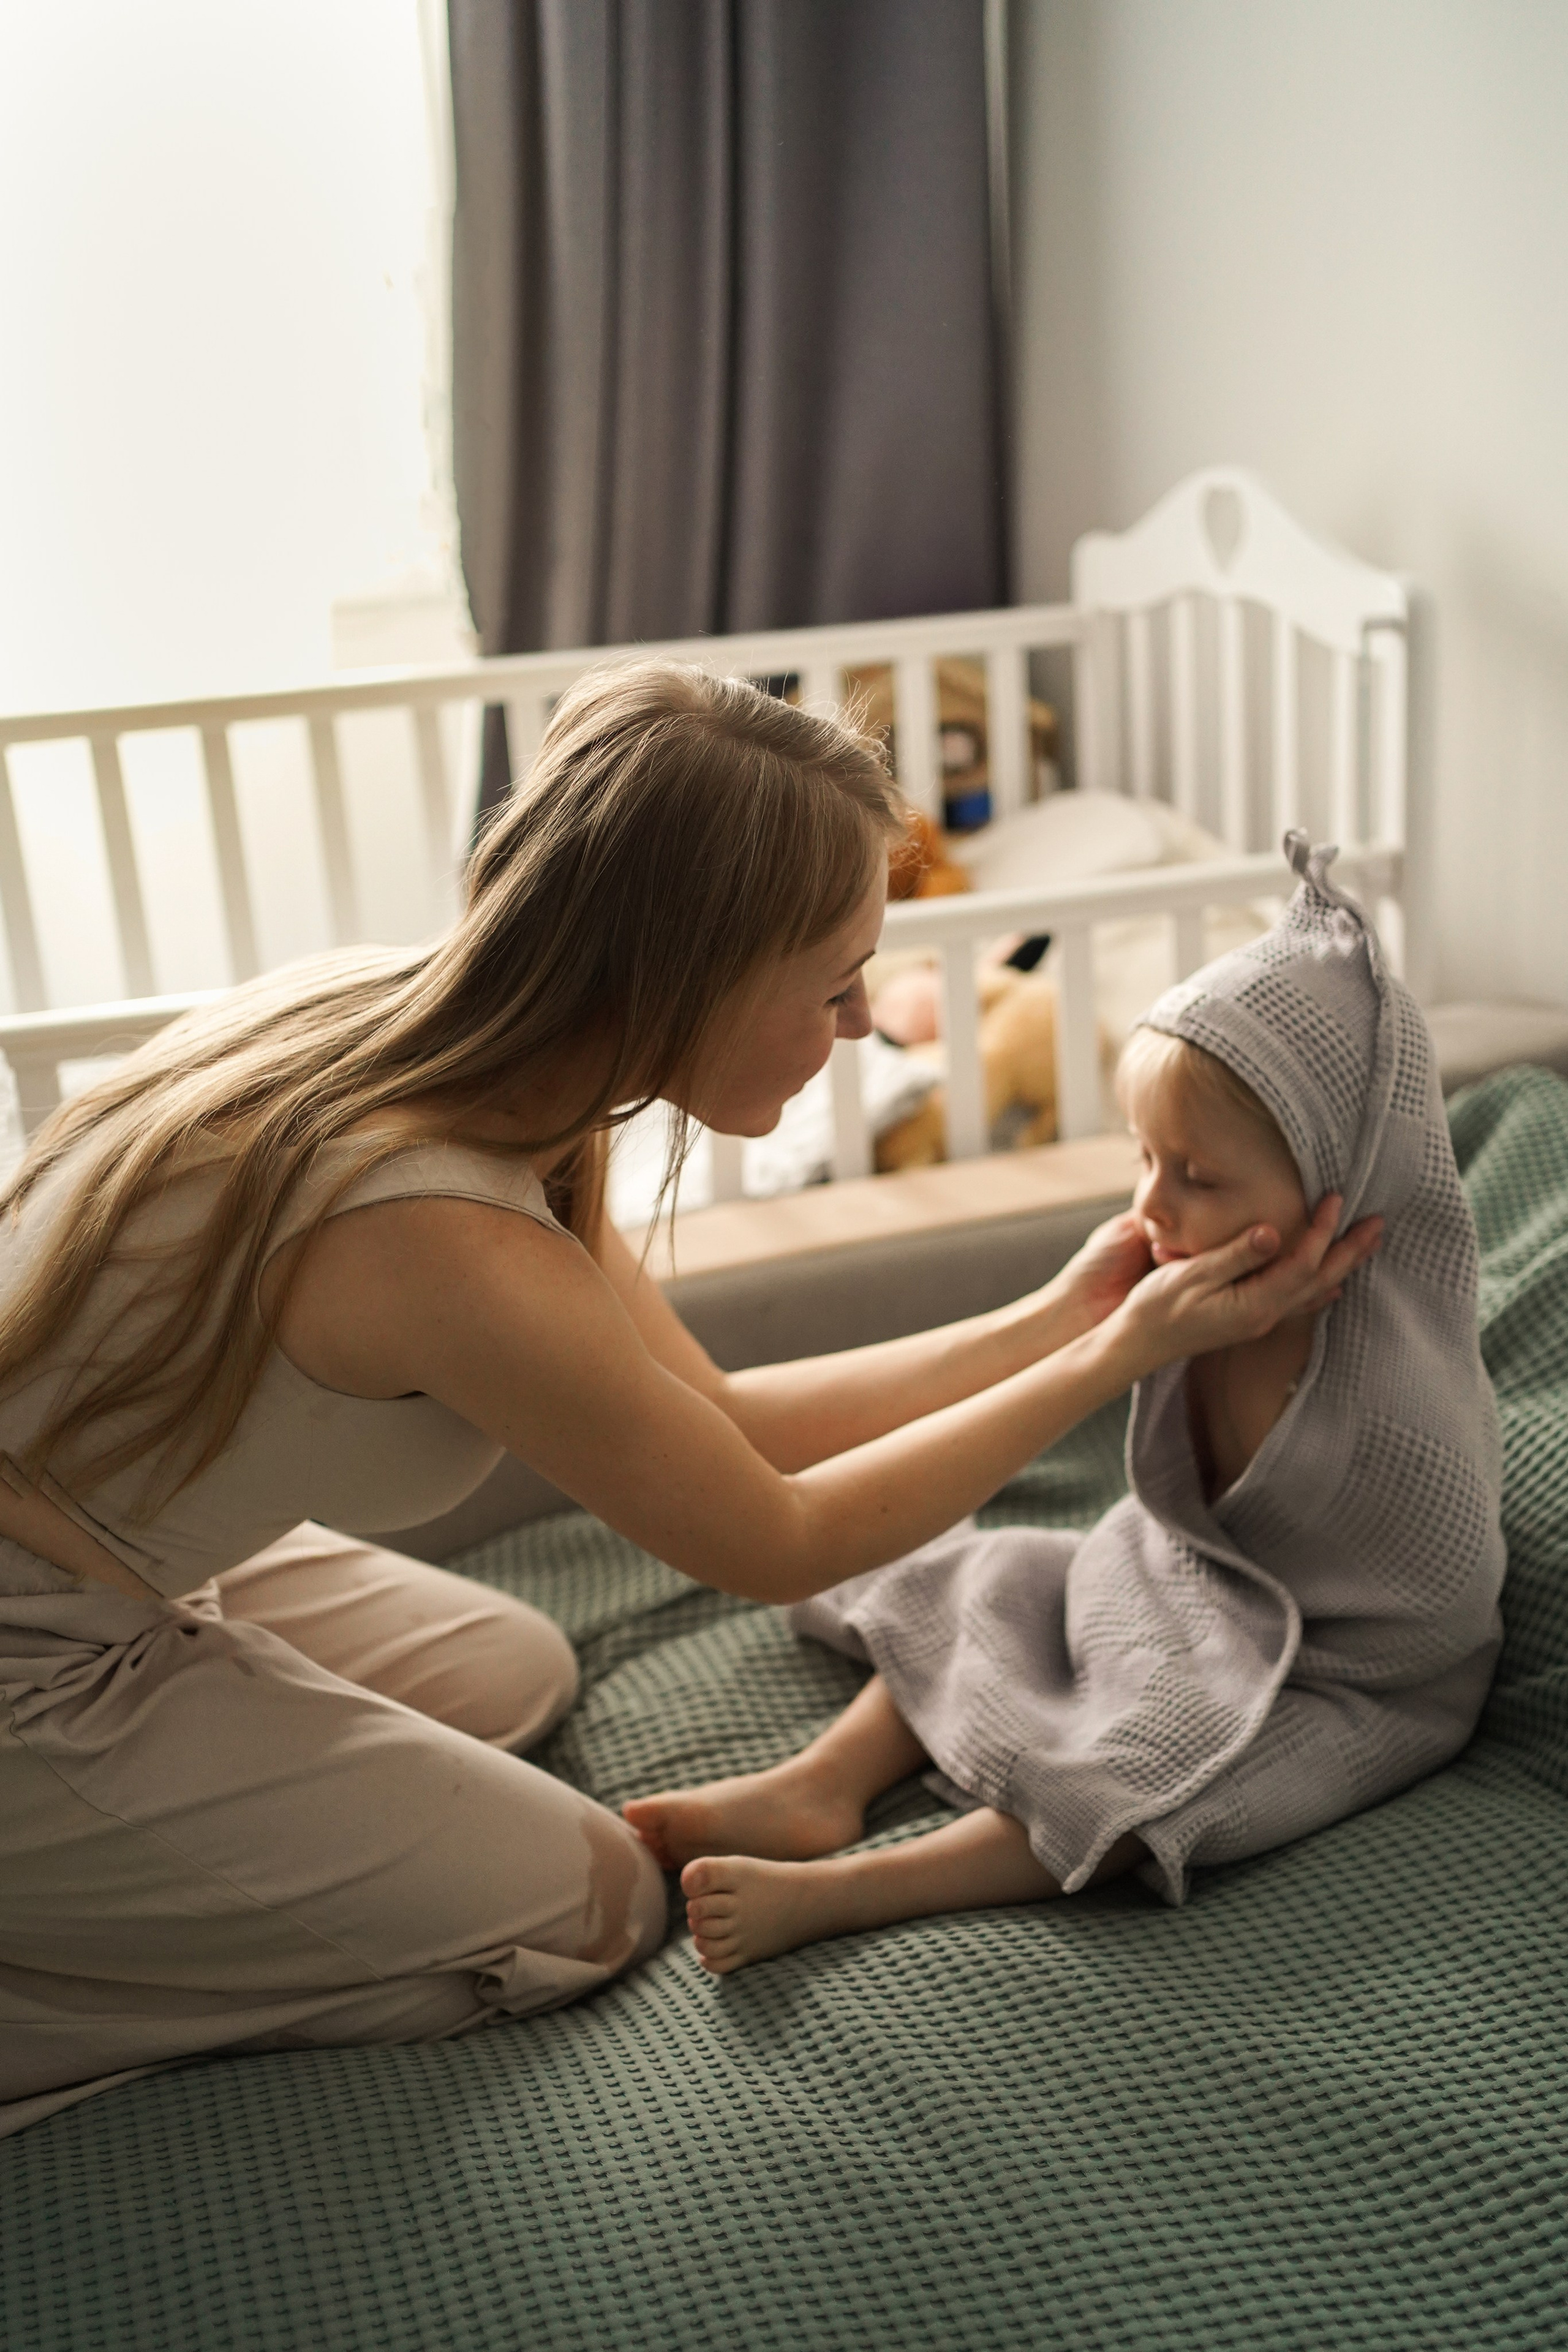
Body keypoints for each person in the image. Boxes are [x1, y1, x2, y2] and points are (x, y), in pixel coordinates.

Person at [0, 669, 1374, 2138]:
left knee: (515, 1673)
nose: (863, 1022)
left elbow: (720, 1415)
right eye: (832, 981)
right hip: (37, 1640)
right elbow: (775, 1536)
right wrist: (1109, 1365)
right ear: (691, 975)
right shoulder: (429, 1225)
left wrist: (1063, 1313)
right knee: (587, 1913)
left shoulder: (459, 1043)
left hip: (109, 1541)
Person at [633, 838, 1504, 1975]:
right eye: (1146, 1157)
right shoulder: (1184, 1287)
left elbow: (1429, 1603)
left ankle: (848, 1892)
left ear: (1343, 1184)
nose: (1153, 1202)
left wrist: (1205, 1638)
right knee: (986, 1579)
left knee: (1146, 1777)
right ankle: (821, 1787)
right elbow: (1176, 1520)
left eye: (1198, 1176)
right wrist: (1098, 1329)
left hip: (1338, 1674)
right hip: (1180, 1579)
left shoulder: (1396, 1396)